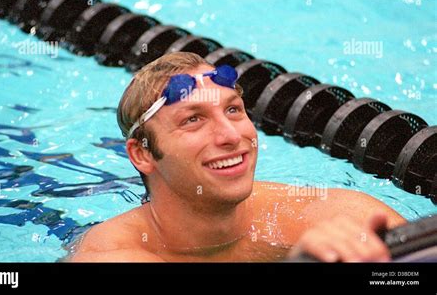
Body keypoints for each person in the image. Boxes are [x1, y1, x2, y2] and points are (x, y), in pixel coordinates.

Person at [68, 52, 405, 262]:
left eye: (233, 109)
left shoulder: (336, 216)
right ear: (142, 154)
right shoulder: (111, 255)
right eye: (193, 119)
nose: (231, 136)